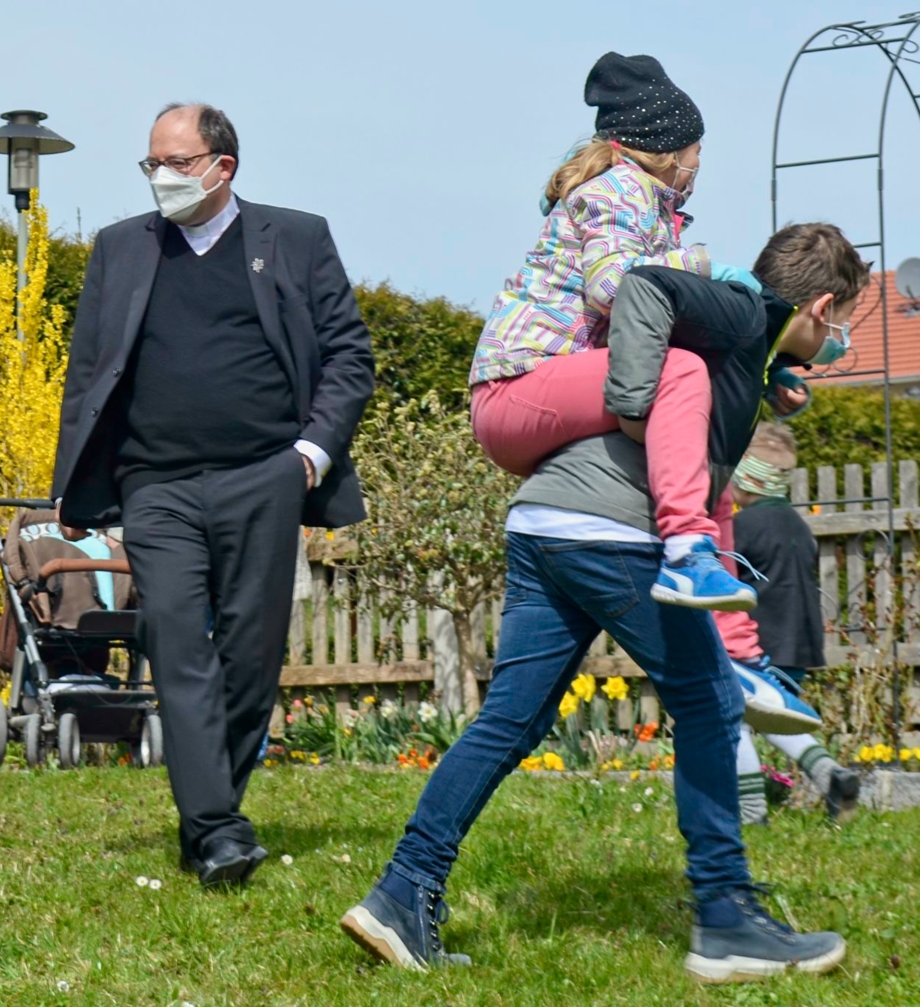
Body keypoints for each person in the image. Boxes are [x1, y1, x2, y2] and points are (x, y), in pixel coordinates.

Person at [342, 223, 870, 981]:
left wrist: (767, 380)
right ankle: (725, 920)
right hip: (606, 532)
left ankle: (401, 892)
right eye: (840, 325)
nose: (837, 341)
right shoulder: (740, 313)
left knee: (509, 720)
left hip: (543, 517)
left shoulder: (743, 334)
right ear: (822, 305)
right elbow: (651, 296)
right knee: (711, 701)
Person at [51, 103, 374, 886]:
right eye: (151, 165)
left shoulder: (294, 239)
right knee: (172, 640)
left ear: (223, 167)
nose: (162, 178)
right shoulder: (120, 249)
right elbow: (90, 371)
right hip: (155, 484)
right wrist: (82, 477)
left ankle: (209, 818)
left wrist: (308, 456)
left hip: (263, 476)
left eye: (177, 162)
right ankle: (221, 828)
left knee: (250, 654)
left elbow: (348, 357)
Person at [470, 52, 773, 613]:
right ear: (669, 151)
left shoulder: (643, 202)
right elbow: (612, 288)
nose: (701, 163)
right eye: (698, 151)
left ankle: (725, 622)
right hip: (517, 384)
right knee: (680, 372)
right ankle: (686, 551)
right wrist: (697, 265)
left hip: (533, 392)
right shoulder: (621, 192)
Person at [720, 424, 860, 824]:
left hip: (755, 645)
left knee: (733, 722)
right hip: (797, 645)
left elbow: (723, 582)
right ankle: (831, 775)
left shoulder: (741, 528)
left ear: (746, 479)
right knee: (772, 718)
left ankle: (750, 813)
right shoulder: (798, 526)